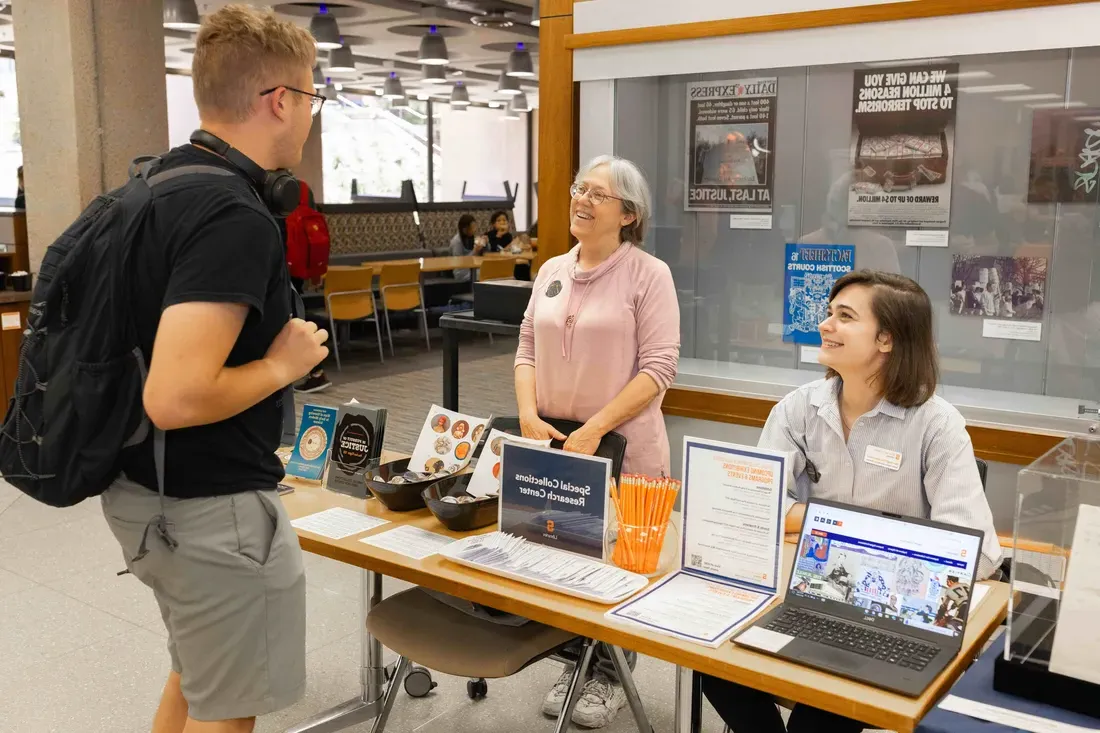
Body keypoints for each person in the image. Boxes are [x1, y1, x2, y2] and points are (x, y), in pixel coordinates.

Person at [101, 7, 327, 733]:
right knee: (226, 711)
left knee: (196, 677)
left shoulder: (153, 188)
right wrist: (280, 364)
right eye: (313, 97)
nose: (311, 116)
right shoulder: (232, 215)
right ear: (280, 100)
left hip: (144, 492)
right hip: (210, 510)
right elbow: (174, 394)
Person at [699, 270, 1002, 733]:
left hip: (889, 611)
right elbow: (756, 503)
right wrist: (844, 526)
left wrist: (827, 529)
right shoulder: (799, 407)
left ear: (886, 339)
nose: (825, 324)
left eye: (845, 316)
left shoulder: (937, 425)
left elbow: (976, 553)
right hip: (805, 591)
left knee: (821, 713)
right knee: (714, 660)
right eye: (829, 312)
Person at [515, 154, 680, 728]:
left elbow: (659, 368)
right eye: (579, 187)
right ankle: (574, 662)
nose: (581, 199)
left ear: (629, 214)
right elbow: (526, 351)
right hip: (556, 443)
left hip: (623, 447)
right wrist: (526, 415)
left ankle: (611, 675)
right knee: (562, 556)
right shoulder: (552, 269)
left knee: (620, 569)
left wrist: (595, 428)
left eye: (598, 193)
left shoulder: (648, 274)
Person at [280, 177, 331, 394]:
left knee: (290, 316)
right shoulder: (303, 191)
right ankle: (313, 372)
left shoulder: (279, 208)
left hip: (283, 270)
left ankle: (314, 372)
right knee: (296, 314)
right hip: (298, 270)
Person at [450, 213, 487, 282]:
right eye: (472, 227)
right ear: (464, 229)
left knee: (491, 271)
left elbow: (484, 254)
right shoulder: (456, 241)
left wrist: (486, 243)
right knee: (486, 274)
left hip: (473, 268)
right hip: (461, 272)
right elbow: (460, 261)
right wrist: (475, 251)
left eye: (475, 226)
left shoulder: (472, 238)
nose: (474, 230)